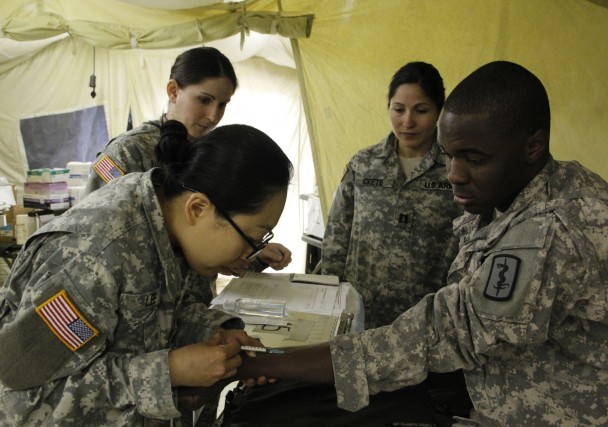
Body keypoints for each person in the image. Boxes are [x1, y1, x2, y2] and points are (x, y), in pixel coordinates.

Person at [200, 61, 608, 426]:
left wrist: (266, 362)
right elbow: (341, 240)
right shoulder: (505, 193)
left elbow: (447, 330)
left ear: (532, 146)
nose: (454, 174)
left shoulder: (556, 228)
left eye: (473, 158)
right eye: (449, 156)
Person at [0, 121, 294, 426]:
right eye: (254, 236)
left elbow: (151, 320)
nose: (250, 253)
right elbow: (18, 385)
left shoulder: (170, 228)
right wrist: (168, 371)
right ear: (198, 208)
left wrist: (212, 335)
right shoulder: (94, 257)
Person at [84, 46, 292, 276]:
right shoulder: (126, 152)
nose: (213, 115)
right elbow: (96, 239)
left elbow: (210, 232)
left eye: (222, 104)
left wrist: (248, 250)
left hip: (191, 303)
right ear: (173, 91)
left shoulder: (213, 154)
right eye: (204, 100)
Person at [322, 61, 462, 329]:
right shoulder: (363, 164)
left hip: (425, 322)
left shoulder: (454, 168)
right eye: (398, 109)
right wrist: (330, 297)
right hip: (361, 315)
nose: (407, 122)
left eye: (421, 111)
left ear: (439, 112)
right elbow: (337, 237)